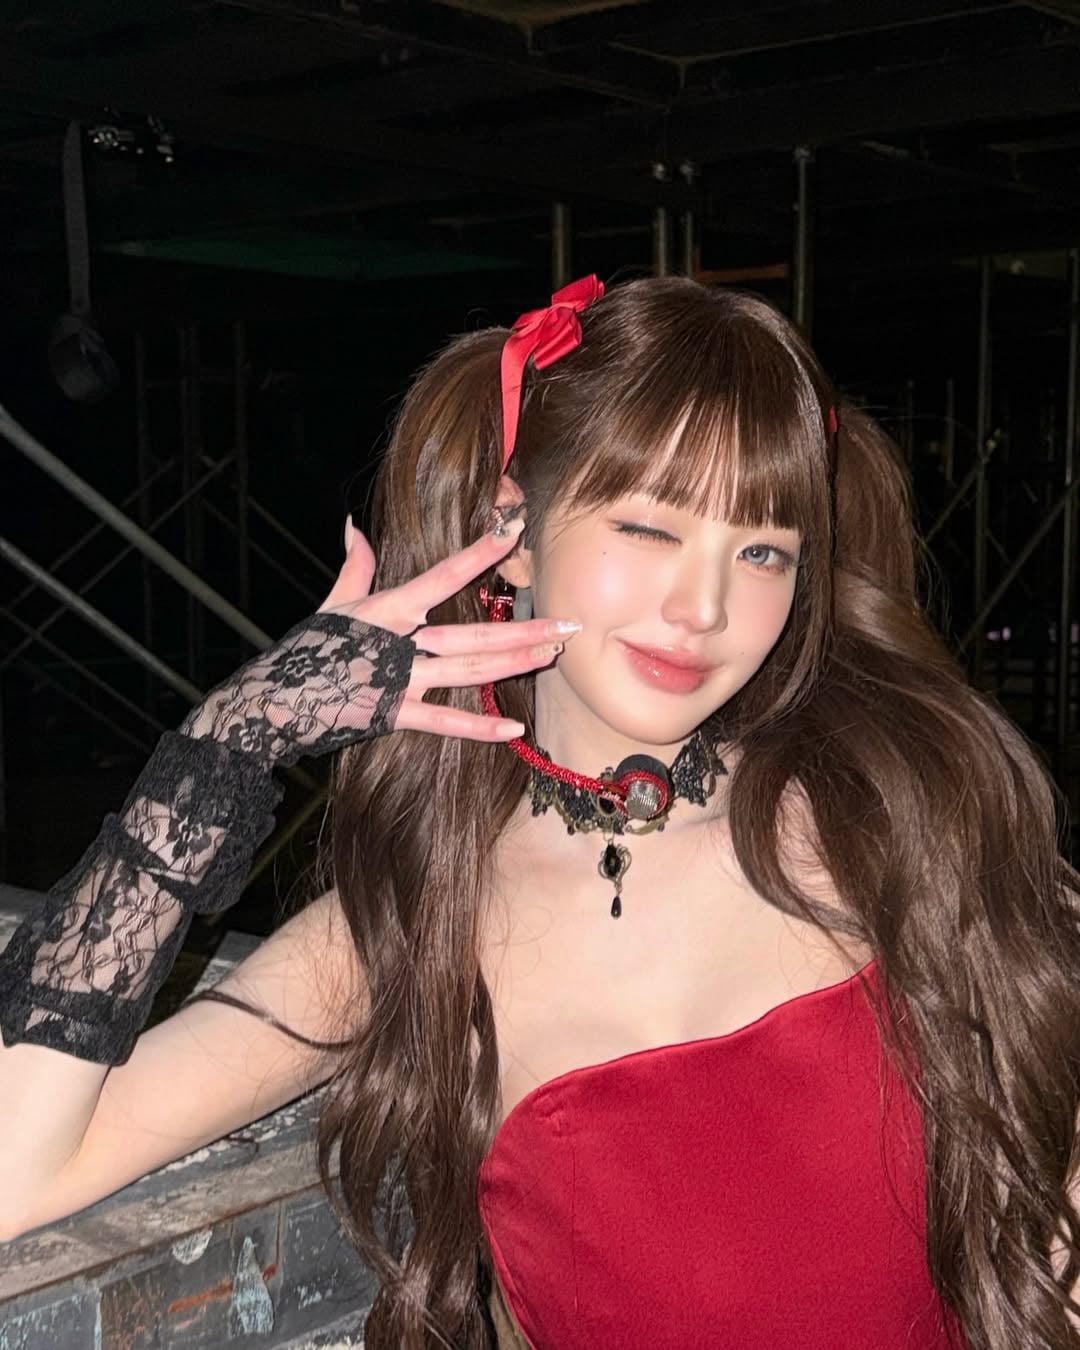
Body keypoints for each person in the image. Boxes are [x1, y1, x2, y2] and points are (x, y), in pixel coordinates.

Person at [1, 274, 1079, 1350]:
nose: (703, 608)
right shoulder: (418, 926)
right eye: (648, 528)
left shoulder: (886, 812)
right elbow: (20, 1166)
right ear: (514, 529)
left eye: (762, 552)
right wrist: (233, 740)